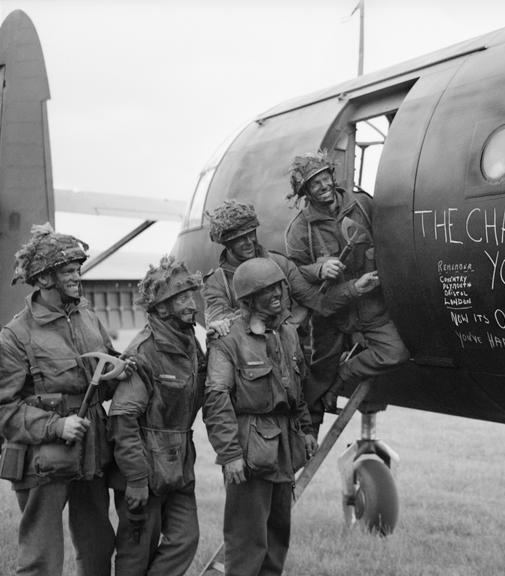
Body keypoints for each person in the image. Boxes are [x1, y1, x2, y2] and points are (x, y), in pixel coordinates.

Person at [0, 223, 117, 576]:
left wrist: (119, 373)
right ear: (45, 278)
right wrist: (56, 425)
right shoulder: (16, 335)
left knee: (98, 548)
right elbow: (4, 411)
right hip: (42, 459)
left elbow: (106, 370)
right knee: (41, 558)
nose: (77, 276)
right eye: (68, 271)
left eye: (78, 269)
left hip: (92, 448)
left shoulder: (89, 317)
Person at [204, 257, 317, 576]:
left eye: (279, 286)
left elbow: (296, 388)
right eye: (266, 290)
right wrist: (230, 455)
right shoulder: (228, 341)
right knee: (246, 540)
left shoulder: (288, 333)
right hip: (250, 450)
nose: (277, 294)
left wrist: (306, 430)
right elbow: (216, 400)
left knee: (277, 536)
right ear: (248, 300)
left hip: (284, 448)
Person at [285, 150, 409, 432]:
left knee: (395, 352)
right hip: (331, 314)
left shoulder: (362, 204)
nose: (324, 186)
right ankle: (307, 434)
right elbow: (294, 273)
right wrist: (319, 268)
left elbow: (390, 236)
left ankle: (343, 375)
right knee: (318, 377)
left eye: (325, 178)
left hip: (371, 307)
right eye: (315, 184)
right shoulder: (299, 229)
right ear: (306, 191)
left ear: (332, 175)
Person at [109, 256, 206, 576]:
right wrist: (136, 479)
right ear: (162, 308)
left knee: (185, 539)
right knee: (136, 552)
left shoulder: (191, 342)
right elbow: (123, 420)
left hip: (179, 465)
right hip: (144, 467)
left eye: (191, 295)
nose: (192, 304)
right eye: (181, 298)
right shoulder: (142, 352)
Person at [202, 199, 379, 338]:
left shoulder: (279, 263)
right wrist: (221, 323)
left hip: (286, 358)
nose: (249, 242)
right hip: (249, 367)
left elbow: (318, 301)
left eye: (251, 234)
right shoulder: (217, 282)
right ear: (226, 244)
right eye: (240, 239)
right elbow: (219, 320)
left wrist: (354, 288)